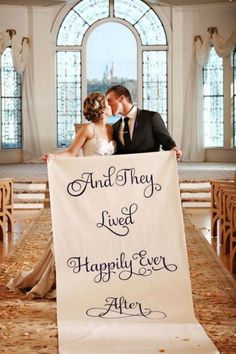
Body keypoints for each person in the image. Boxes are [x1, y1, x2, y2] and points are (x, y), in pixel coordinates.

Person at [7, 92, 116, 299]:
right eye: (107, 103)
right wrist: (54, 157)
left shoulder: (113, 129)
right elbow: (71, 152)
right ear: (101, 108)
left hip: (107, 188)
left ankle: (98, 275)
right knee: (79, 231)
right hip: (89, 186)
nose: (111, 106)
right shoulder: (88, 129)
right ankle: (66, 277)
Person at [106, 85, 182, 159]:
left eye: (109, 100)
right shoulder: (115, 127)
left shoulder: (151, 117)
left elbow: (166, 141)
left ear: (121, 98)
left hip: (149, 170)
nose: (107, 104)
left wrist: (174, 149)